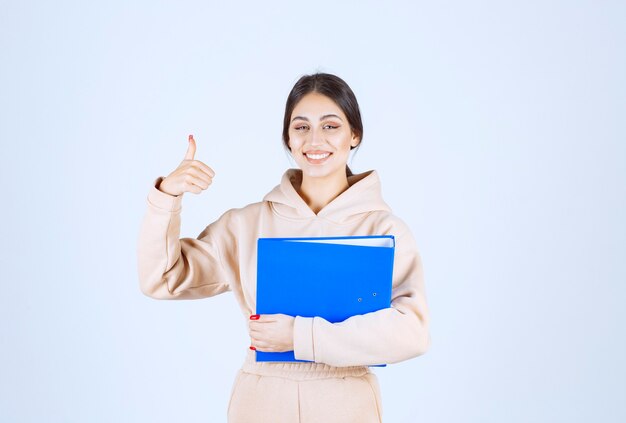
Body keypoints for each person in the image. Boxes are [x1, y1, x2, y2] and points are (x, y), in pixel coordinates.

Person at [137, 72, 431, 423]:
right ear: (288, 139)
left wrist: (299, 335)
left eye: (331, 125)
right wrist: (166, 197)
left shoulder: (383, 229)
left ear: (355, 135)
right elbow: (162, 278)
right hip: (262, 402)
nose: (315, 139)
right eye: (301, 127)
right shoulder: (246, 225)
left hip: (346, 401)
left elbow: (412, 333)